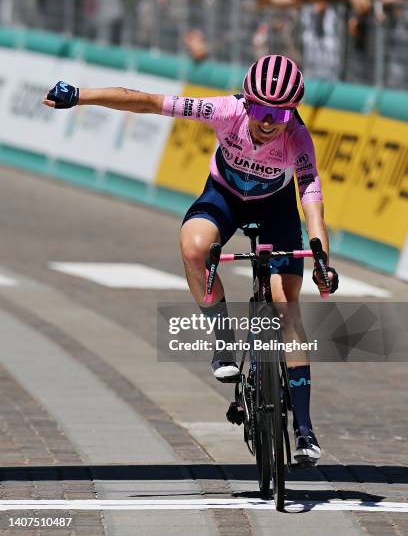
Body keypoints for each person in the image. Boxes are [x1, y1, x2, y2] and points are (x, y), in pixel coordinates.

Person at [43, 54, 339, 463]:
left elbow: (312, 204)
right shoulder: (224, 110)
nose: (268, 121)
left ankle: (304, 429)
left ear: (291, 113)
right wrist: (79, 96)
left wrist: (322, 259)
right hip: (225, 198)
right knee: (194, 247)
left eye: (280, 113)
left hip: (276, 209)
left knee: (287, 310)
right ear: (246, 102)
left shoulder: (298, 140)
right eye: (260, 109)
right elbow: (145, 100)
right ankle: (223, 340)